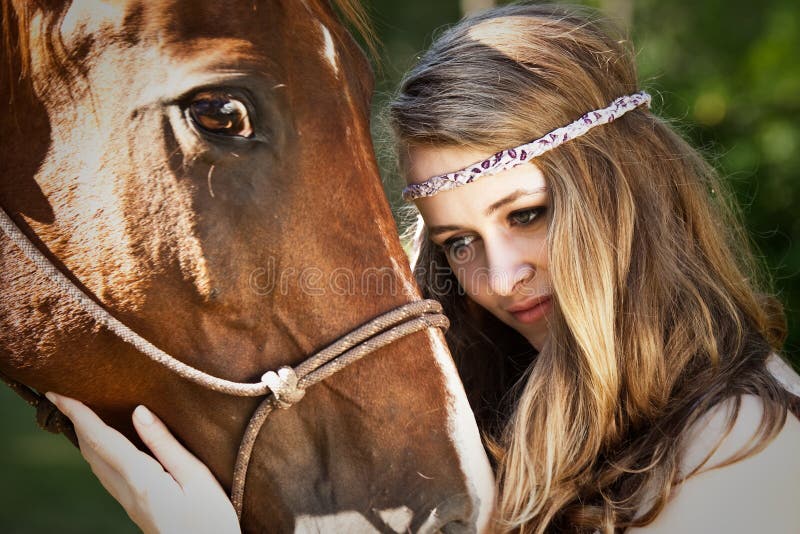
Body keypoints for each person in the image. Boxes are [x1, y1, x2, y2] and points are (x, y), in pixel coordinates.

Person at [45, 3, 800, 533]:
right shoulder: (492, 399)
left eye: (527, 214)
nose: (499, 279)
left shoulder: (747, 447)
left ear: (621, 193)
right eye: (457, 243)